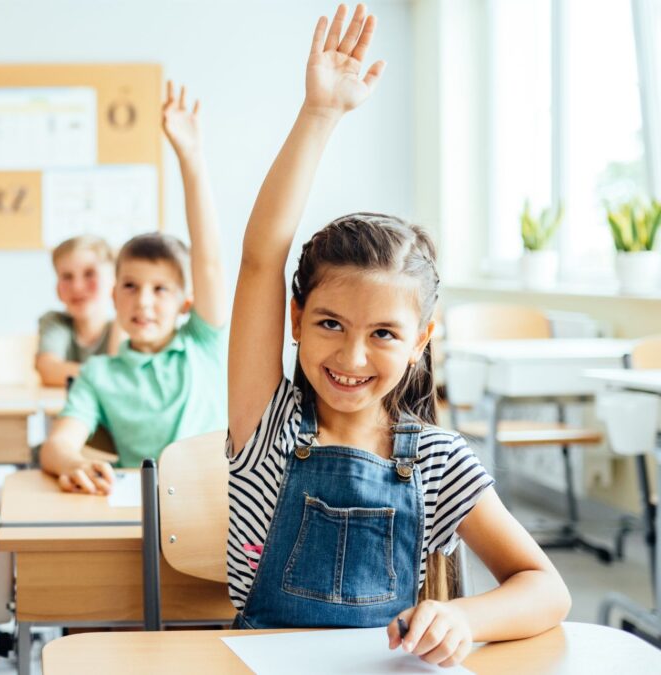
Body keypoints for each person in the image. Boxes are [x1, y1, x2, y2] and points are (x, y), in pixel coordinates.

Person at [225, 4, 569, 667]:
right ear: (294, 319)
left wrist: (463, 616)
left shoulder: (438, 459)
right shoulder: (265, 425)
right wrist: (319, 114)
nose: (352, 355)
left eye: (384, 332)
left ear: (420, 341)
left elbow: (547, 588)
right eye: (330, 323)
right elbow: (261, 259)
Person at [40, 80, 228, 487]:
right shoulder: (99, 374)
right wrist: (71, 462)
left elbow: (210, 262)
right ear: (113, 295)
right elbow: (56, 445)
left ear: (186, 301)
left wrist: (191, 158)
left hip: (217, 507)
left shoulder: (203, 343)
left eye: (161, 289)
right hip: (147, 508)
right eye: (130, 286)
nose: (143, 302)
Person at [34, 235, 122, 387]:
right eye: (67, 277)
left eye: (89, 274)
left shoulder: (124, 324)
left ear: (114, 281)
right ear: (57, 289)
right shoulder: (55, 322)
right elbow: (48, 371)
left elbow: (120, 376)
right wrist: (106, 375)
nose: (77, 287)